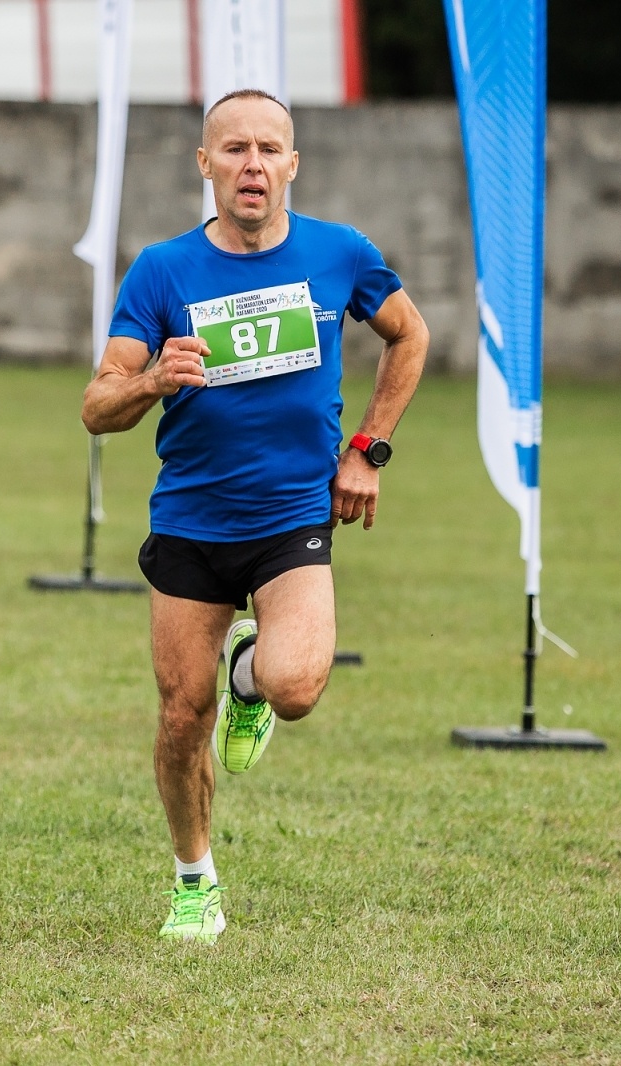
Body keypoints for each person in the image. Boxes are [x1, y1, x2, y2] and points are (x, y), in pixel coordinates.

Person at [79, 88, 430, 944]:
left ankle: (252, 679)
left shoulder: (340, 254)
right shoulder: (161, 272)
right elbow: (97, 405)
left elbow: (410, 335)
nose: (252, 165)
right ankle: (194, 881)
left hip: (291, 518)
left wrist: (368, 449)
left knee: (295, 685)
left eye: (269, 149)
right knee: (177, 718)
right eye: (233, 149)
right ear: (205, 164)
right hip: (192, 523)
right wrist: (154, 381)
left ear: (293, 165)